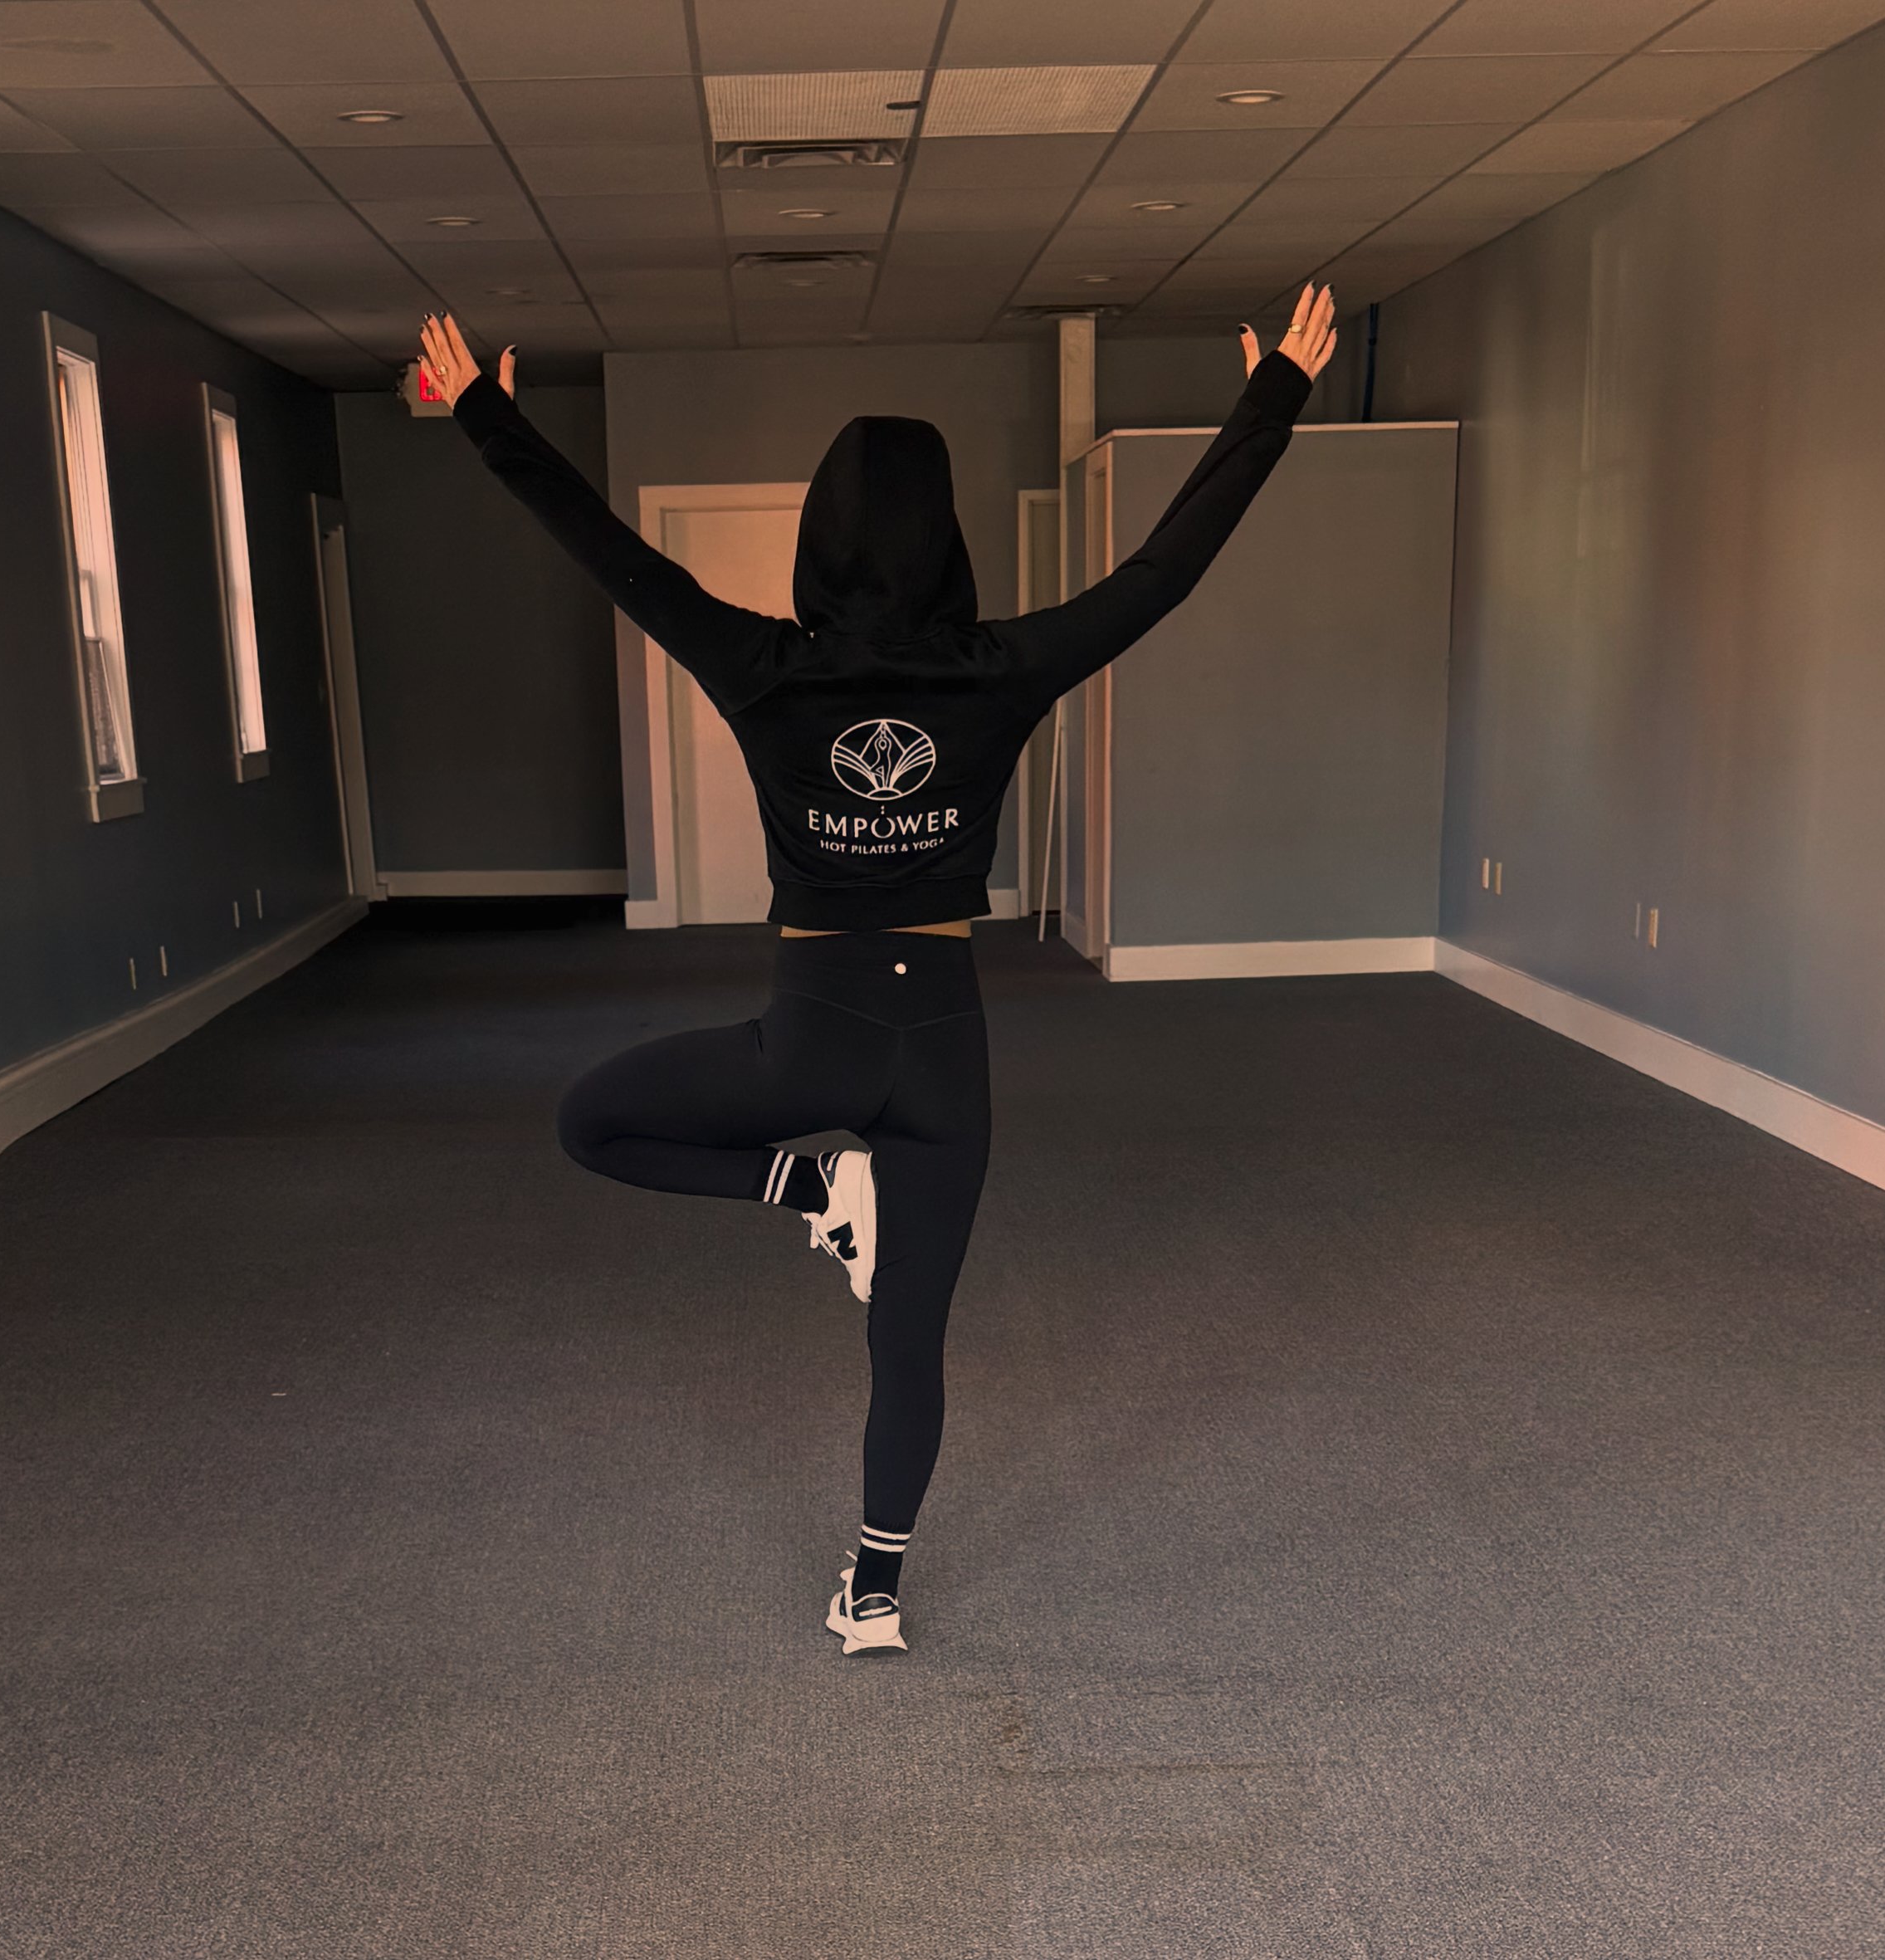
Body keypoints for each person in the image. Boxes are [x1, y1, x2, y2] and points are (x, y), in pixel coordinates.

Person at [417, 289, 1337, 1655]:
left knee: (588, 1120)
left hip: (817, 1030)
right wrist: (1270, 400)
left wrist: (487, 418)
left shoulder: (762, 665)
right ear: (951, 538)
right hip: (948, 1044)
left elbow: (612, 557)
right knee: (908, 1339)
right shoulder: (1002, 666)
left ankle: (803, 1181)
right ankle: (875, 1593)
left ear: (817, 539)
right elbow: (1163, 572)